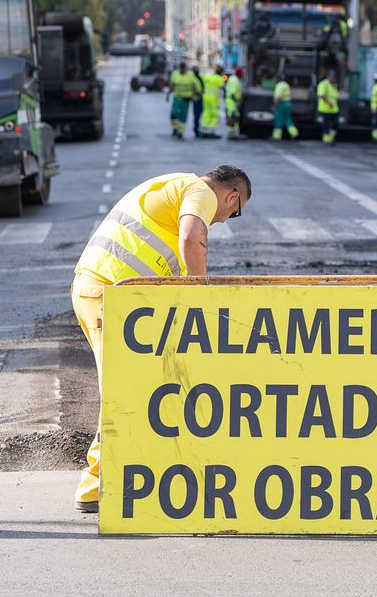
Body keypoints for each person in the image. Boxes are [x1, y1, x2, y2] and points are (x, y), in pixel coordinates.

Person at [69, 165, 252, 514]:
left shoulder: (173, 184)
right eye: (233, 212)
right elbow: (191, 236)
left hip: (103, 292)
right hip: (111, 297)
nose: (225, 220)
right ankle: (94, 486)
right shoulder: (198, 192)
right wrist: (198, 291)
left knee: (140, 385)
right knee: (123, 390)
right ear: (232, 196)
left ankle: (135, 471)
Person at [166, 61, 199, 139]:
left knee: (183, 116)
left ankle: (181, 131)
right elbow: (172, 85)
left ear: (185, 69)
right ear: (179, 68)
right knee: (174, 114)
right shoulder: (175, 74)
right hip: (177, 97)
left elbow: (194, 86)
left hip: (186, 98)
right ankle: (175, 128)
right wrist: (168, 94)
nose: (182, 71)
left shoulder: (190, 75)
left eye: (183, 69)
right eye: (181, 69)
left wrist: (195, 95)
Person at [271, 64, 299, 140]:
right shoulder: (286, 84)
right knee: (287, 119)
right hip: (288, 103)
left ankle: (276, 136)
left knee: (278, 120)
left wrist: (275, 105)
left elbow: (278, 97)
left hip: (281, 104)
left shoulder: (279, 85)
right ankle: (294, 133)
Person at [199, 64, 225, 139]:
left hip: (206, 98)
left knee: (206, 113)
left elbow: (201, 79)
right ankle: (212, 132)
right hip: (214, 99)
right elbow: (222, 88)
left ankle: (204, 131)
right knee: (214, 115)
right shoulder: (220, 79)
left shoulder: (208, 76)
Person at [317, 70, 340, 144]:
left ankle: (331, 137)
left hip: (334, 109)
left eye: (334, 77)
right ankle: (326, 139)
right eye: (332, 77)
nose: (334, 79)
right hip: (325, 108)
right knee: (326, 124)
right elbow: (322, 95)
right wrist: (329, 103)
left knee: (336, 124)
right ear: (329, 77)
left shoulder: (334, 85)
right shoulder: (323, 84)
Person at [225, 66, 244, 139]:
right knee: (232, 117)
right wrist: (237, 102)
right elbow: (232, 93)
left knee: (234, 117)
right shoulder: (235, 80)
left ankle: (233, 133)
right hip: (232, 102)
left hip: (232, 101)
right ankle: (231, 133)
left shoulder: (233, 79)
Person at [190, 65, 206, 137]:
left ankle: (198, 128)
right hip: (196, 98)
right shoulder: (192, 78)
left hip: (201, 98)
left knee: (200, 114)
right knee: (196, 115)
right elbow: (192, 88)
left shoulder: (200, 77)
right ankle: (196, 129)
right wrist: (196, 93)